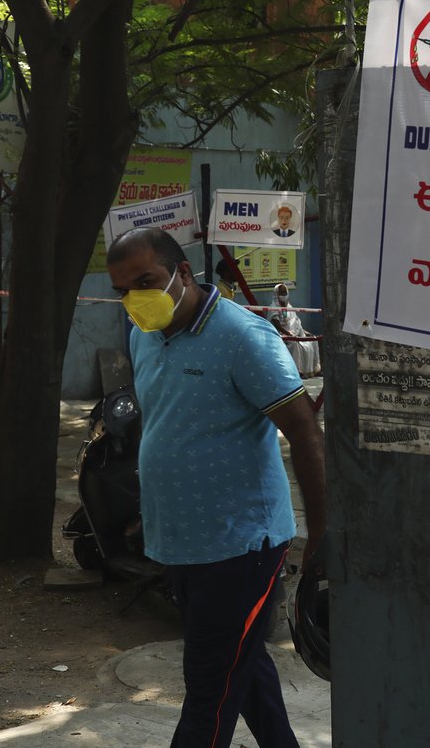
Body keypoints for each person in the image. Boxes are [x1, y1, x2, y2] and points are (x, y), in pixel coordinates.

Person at [106, 228, 326, 748]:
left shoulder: (243, 337)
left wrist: (319, 537)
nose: (135, 298)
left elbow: (304, 432)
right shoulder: (143, 334)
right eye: (123, 290)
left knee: (209, 691)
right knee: (238, 666)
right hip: (182, 541)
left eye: (146, 281)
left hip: (242, 545)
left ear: (183, 273)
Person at [267, 283, 321, 378]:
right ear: (276, 294)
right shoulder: (274, 307)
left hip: (295, 333)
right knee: (294, 344)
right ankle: (297, 371)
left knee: (313, 340)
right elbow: (277, 324)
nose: (284, 295)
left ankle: (314, 369)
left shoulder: (290, 307)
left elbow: (296, 323)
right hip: (281, 335)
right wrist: (289, 334)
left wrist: (305, 332)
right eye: (281, 293)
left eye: (285, 293)